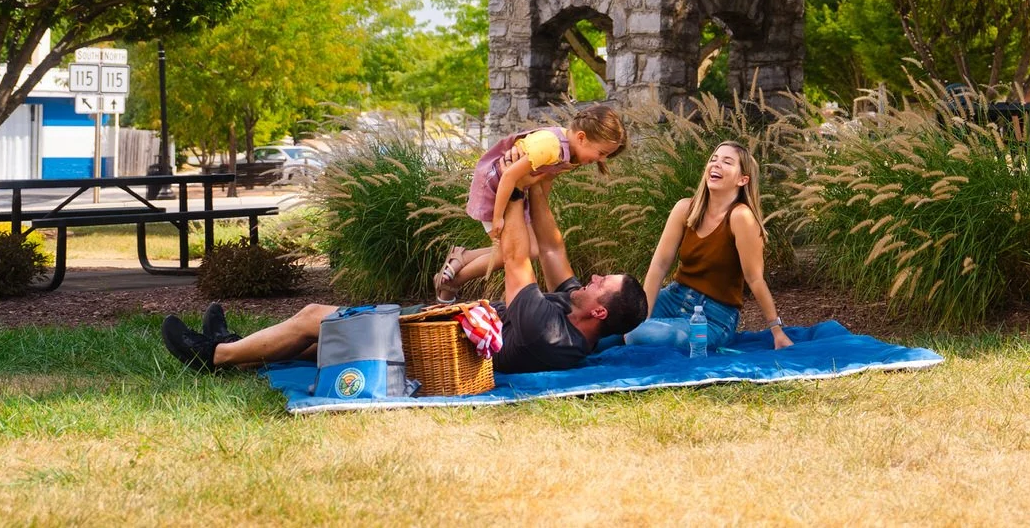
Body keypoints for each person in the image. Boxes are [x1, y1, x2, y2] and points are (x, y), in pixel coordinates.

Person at [161, 174, 647, 376]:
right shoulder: (575, 313)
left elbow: (520, 259)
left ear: (600, 310)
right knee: (318, 344)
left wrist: (513, 186)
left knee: (315, 316)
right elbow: (552, 247)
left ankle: (213, 355)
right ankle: (239, 348)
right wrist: (540, 183)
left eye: (603, 282)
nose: (594, 276)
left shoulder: (552, 333)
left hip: (427, 349)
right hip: (439, 325)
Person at [434, 103, 628, 302]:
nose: (601, 159)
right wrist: (498, 216)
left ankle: (461, 259)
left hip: (515, 188)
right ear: (581, 137)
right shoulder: (550, 147)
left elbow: (545, 179)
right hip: (496, 187)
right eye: (602, 153)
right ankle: (456, 277)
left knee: (532, 249)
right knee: (513, 251)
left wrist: (538, 217)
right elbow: (509, 174)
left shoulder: (570, 152)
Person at [623, 140, 794, 352]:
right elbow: (659, 265)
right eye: (714, 159)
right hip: (673, 297)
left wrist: (776, 330)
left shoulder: (741, 217)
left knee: (641, 334)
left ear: (743, 179)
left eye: (727, 162)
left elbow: (755, 279)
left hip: (714, 316)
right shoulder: (685, 208)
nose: (716, 164)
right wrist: (644, 313)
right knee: (616, 323)